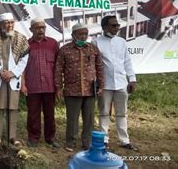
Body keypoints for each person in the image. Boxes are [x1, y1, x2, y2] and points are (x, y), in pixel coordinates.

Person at [55, 23, 104, 152]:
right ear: (73, 35)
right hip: (72, 90)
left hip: (90, 90)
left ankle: (87, 142)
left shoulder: (93, 49)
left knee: (89, 118)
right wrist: (58, 87)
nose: (83, 37)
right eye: (80, 34)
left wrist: (101, 85)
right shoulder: (64, 50)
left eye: (85, 34)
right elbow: (58, 70)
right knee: (72, 118)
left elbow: (99, 67)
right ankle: (70, 142)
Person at [0, 12, 29, 147]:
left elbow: (24, 59)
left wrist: (13, 73)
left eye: (11, 22)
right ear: (0, 24)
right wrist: (0, 72)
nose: (10, 25)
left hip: (12, 79)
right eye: (7, 23)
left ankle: (11, 136)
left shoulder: (21, 39)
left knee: (12, 108)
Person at [92, 15, 138, 151]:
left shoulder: (122, 41)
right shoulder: (96, 42)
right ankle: (104, 140)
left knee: (121, 113)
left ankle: (124, 140)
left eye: (118, 25)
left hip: (121, 83)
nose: (117, 27)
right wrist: (96, 83)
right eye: (114, 25)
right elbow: (94, 64)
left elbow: (127, 61)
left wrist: (132, 79)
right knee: (104, 112)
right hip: (104, 84)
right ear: (105, 27)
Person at [21, 18, 60, 148]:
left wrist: (58, 85)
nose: (41, 30)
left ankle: (50, 138)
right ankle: (33, 138)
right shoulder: (26, 45)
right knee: (33, 114)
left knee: (50, 114)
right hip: (32, 85)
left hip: (49, 85)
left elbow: (58, 67)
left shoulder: (53, 44)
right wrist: (23, 84)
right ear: (31, 29)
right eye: (37, 28)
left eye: (43, 27)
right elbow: (22, 67)